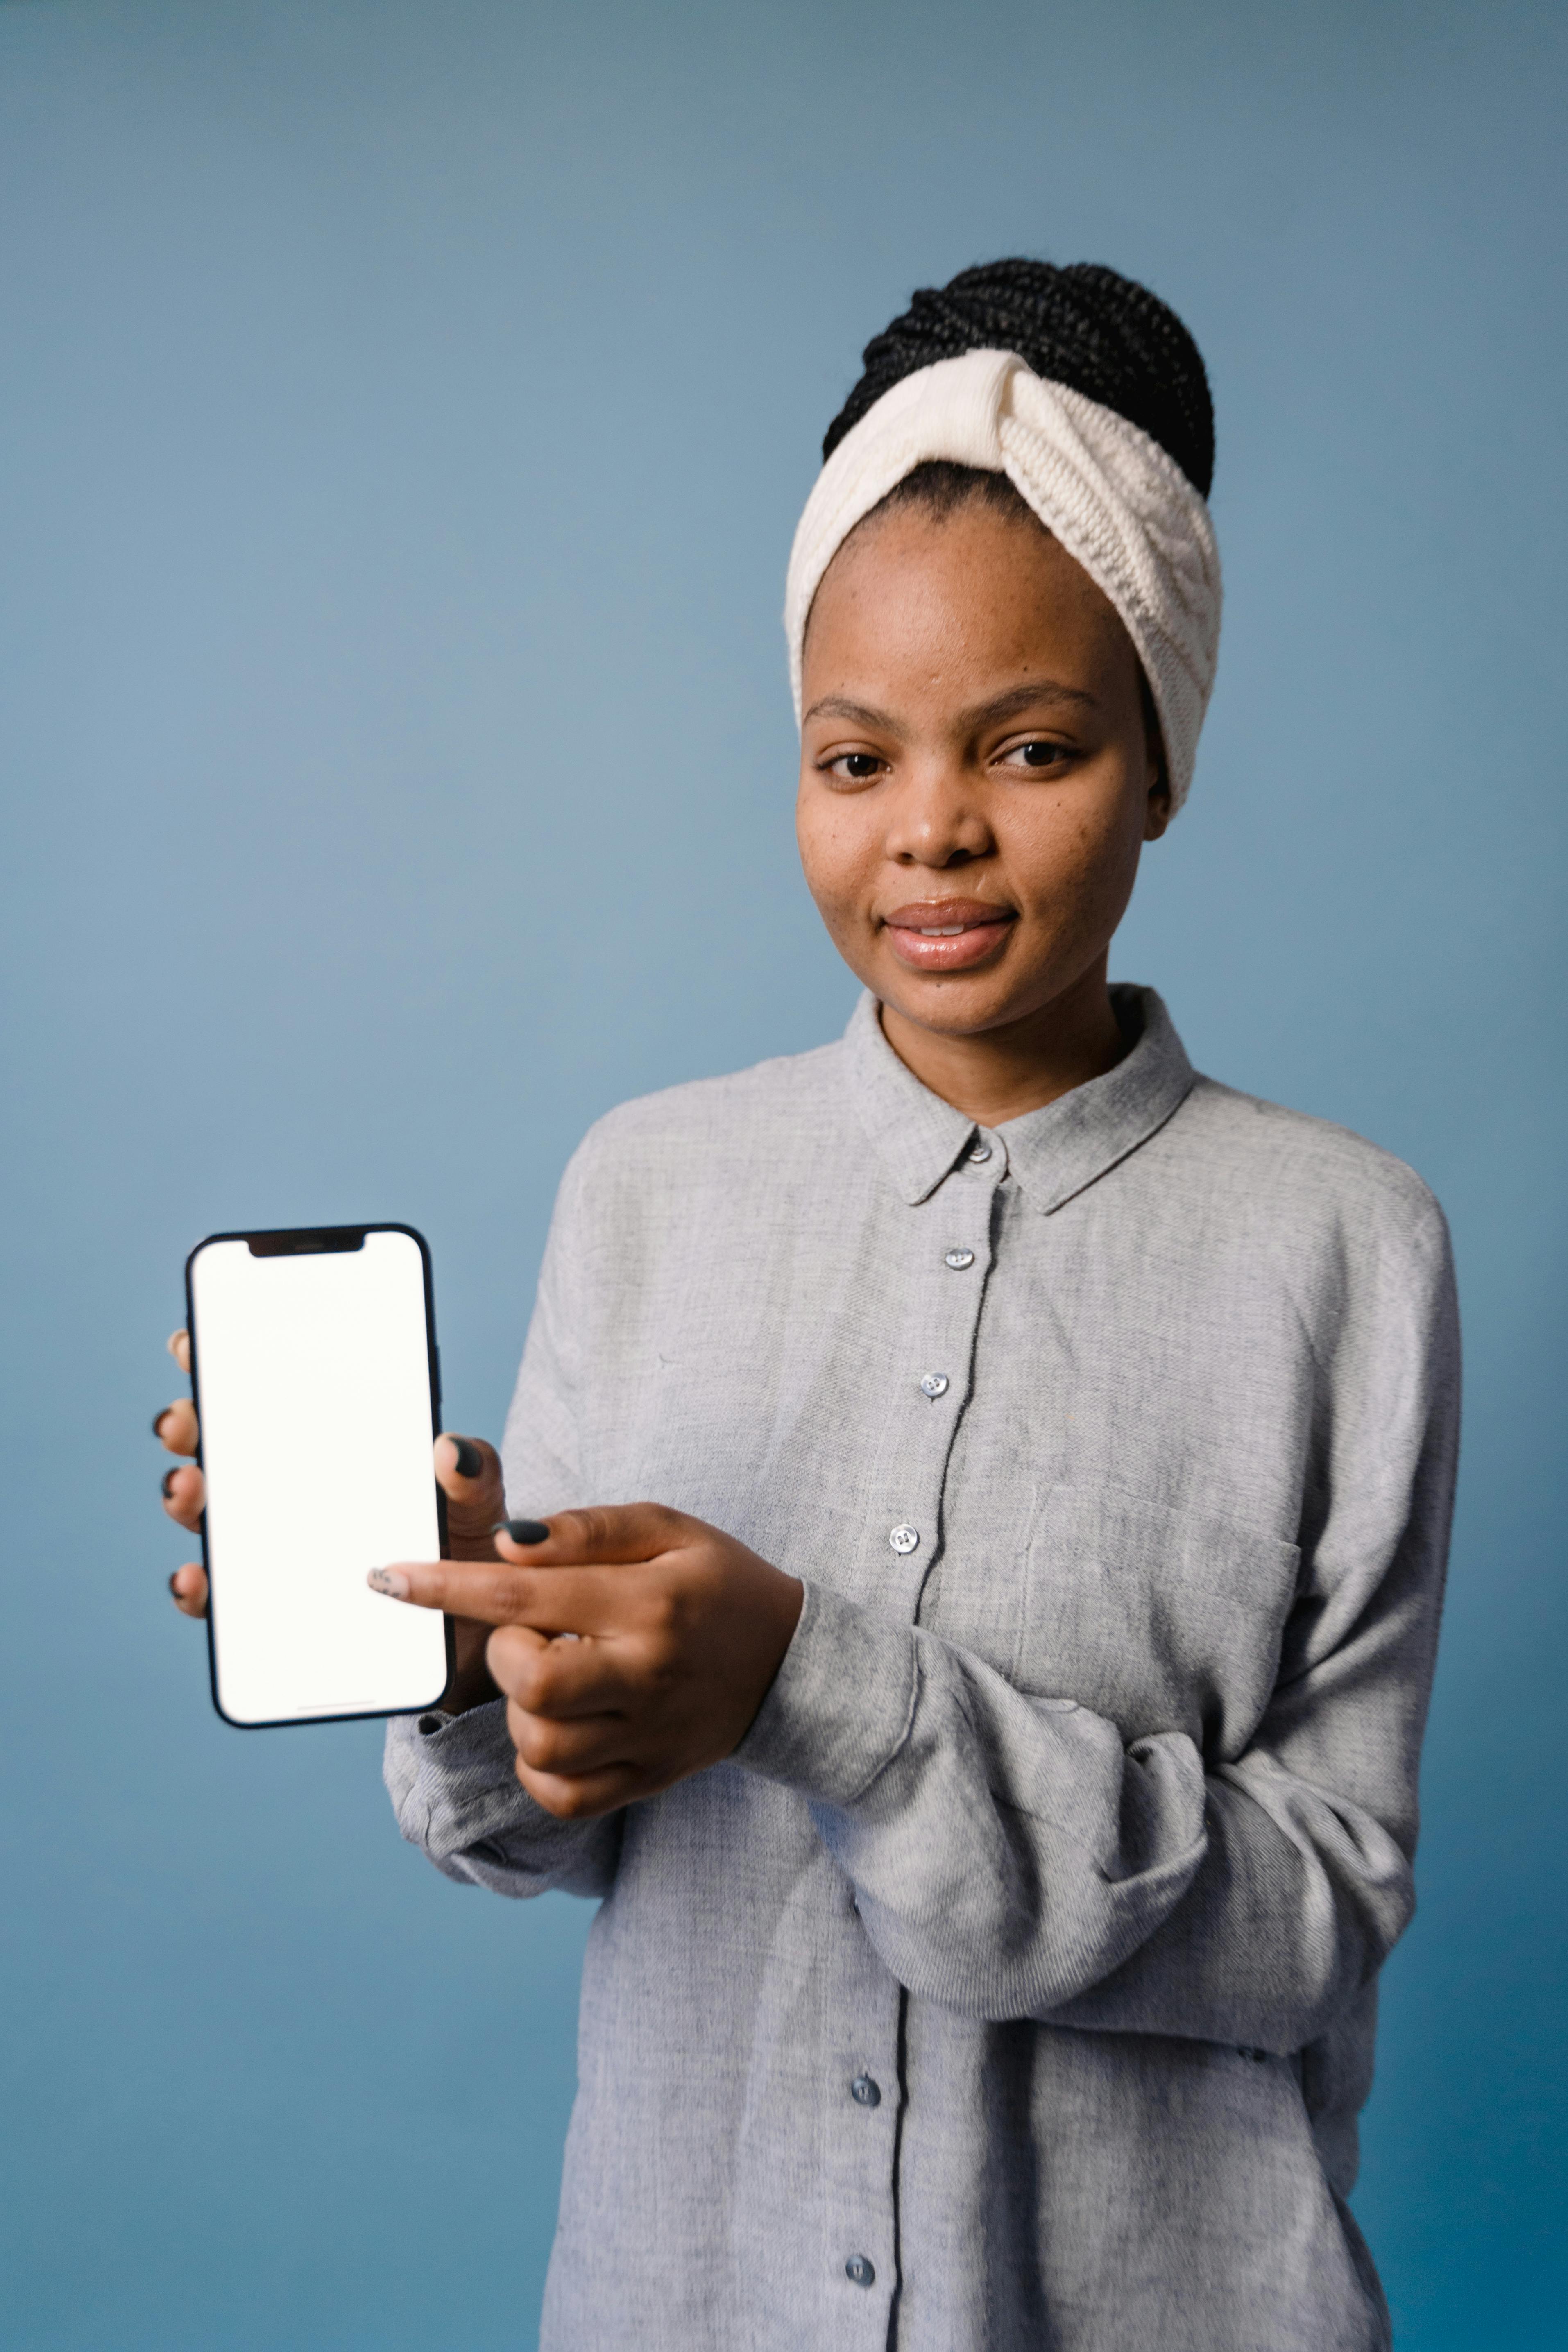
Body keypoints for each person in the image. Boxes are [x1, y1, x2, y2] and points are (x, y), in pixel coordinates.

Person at [155, 258, 1459, 2351]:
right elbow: (530, 1835)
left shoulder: (1346, 1247)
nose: (930, 827)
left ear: (1160, 761)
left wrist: (814, 1686)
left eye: (1028, 746)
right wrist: (478, 1641)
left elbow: (1316, 1921)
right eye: (853, 759)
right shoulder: (649, 1186)